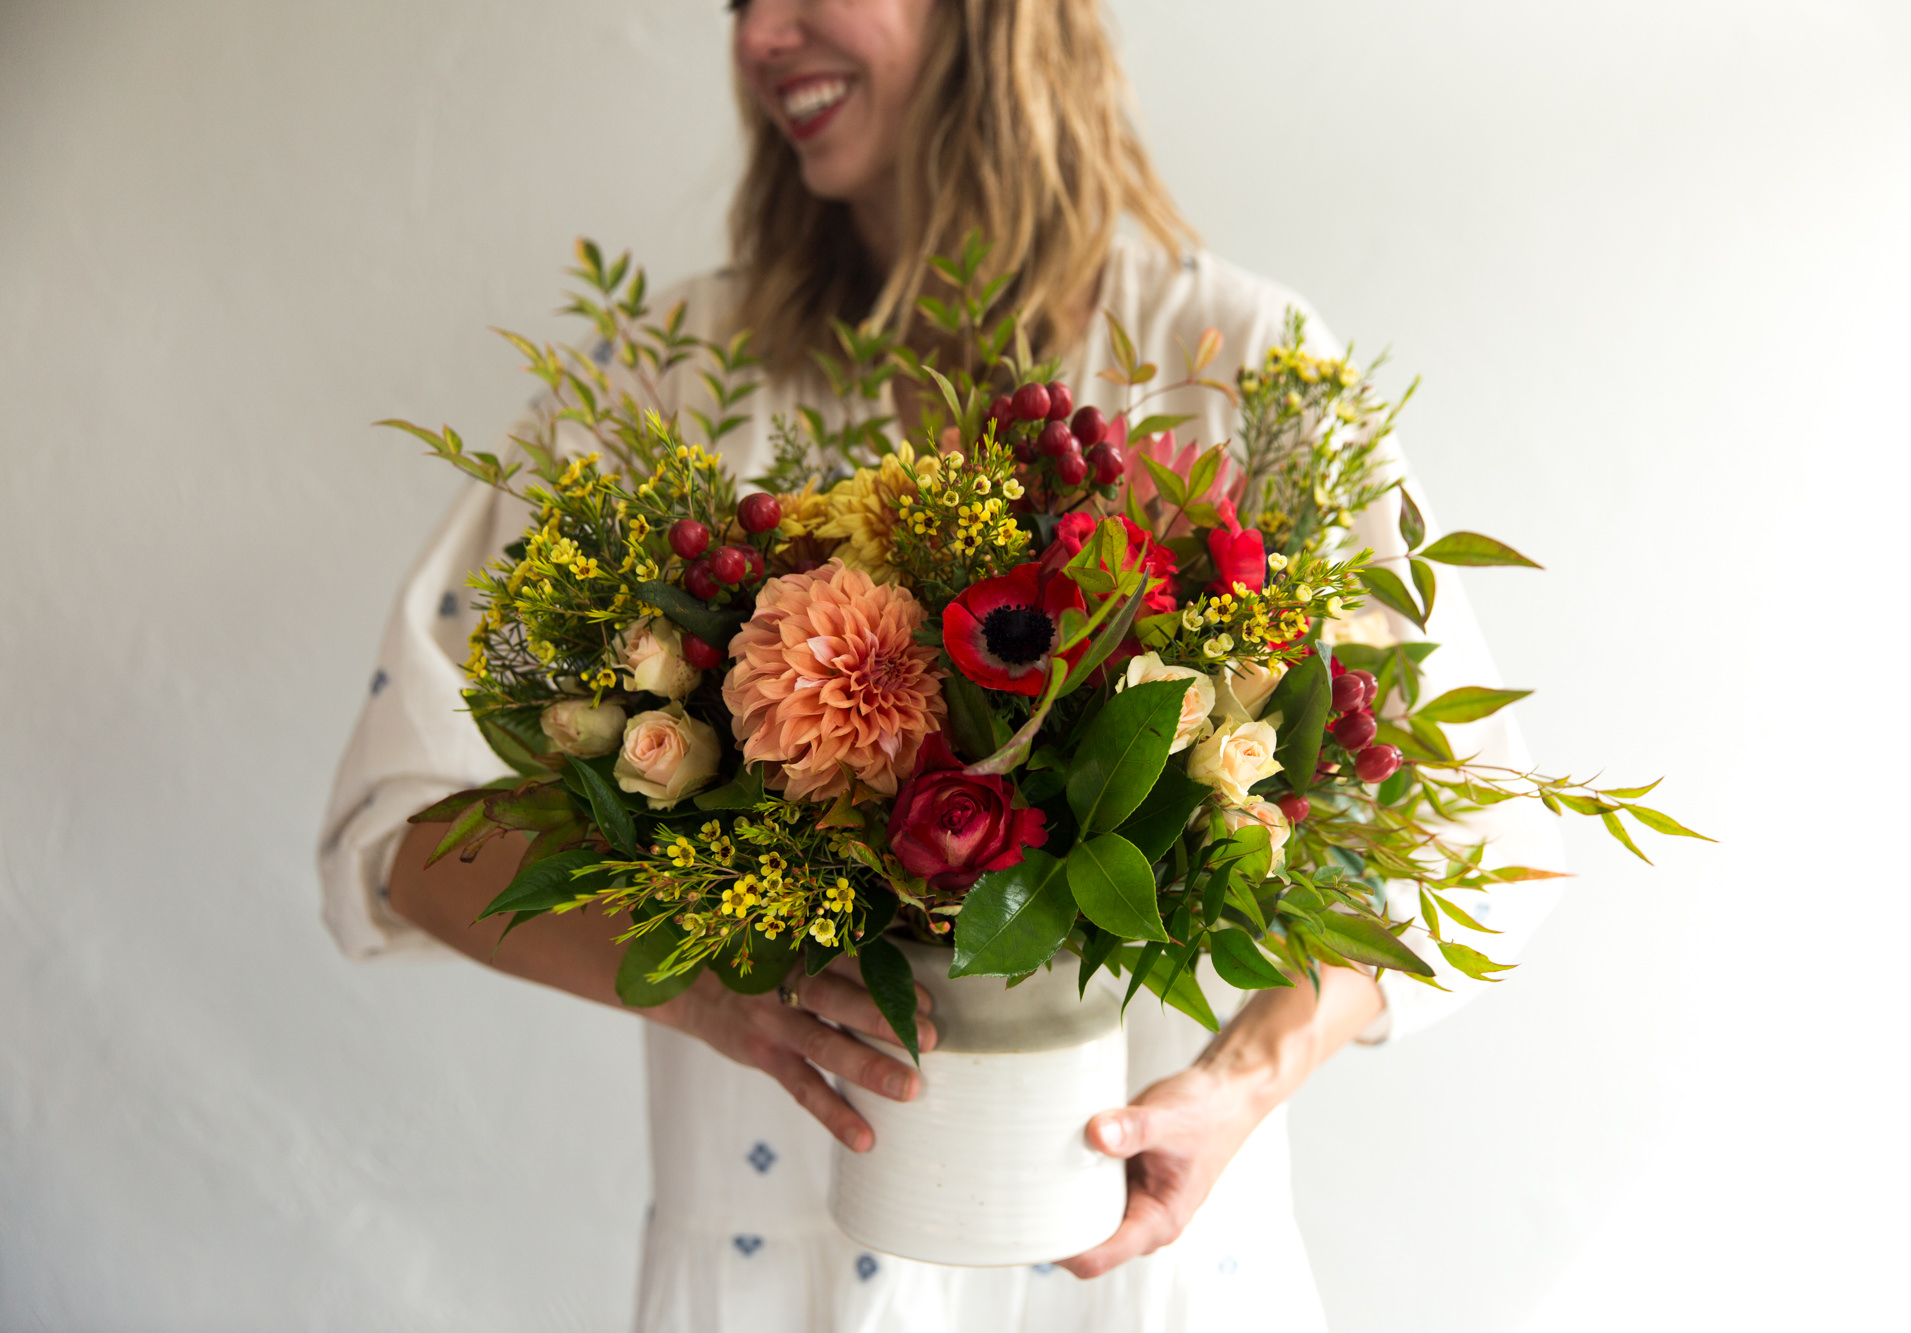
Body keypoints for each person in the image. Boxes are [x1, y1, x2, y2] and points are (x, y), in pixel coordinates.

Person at [318, 0, 1565, 1328]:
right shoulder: (666, 394)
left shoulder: (1245, 367)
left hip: (1146, 1277)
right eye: (738, 3)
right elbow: (398, 824)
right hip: (773, 1270)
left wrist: (1245, 1080)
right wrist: (700, 979)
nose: (757, 37)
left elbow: (1466, 819)